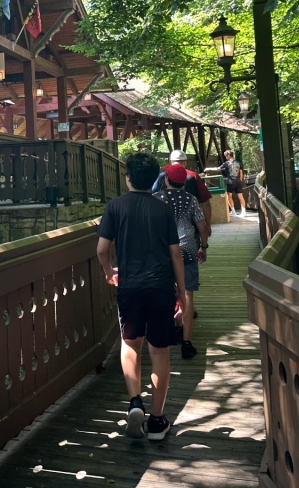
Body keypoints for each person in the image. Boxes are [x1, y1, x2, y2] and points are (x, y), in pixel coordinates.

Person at [97, 151, 185, 441]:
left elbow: (101, 250)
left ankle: (135, 401)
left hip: (130, 286)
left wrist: (110, 272)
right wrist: (181, 293)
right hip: (161, 286)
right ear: (153, 179)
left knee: (130, 344)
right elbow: (175, 253)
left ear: (128, 178)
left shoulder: (114, 207)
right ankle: (157, 421)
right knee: (160, 351)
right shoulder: (163, 209)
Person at [154, 163, 209, 359]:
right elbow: (202, 226)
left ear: (166, 180)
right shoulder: (191, 199)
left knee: (168, 291)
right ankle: (187, 342)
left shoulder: (157, 199)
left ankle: (173, 330)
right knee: (187, 294)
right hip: (187, 249)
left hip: (164, 251)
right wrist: (204, 246)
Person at [151, 149, 213, 233]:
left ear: (170, 162)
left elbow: (152, 197)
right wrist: (207, 225)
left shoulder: (161, 176)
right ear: (185, 162)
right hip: (191, 230)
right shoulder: (193, 176)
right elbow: (206, 203)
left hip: (165, 229)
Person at [220, 150, 247, 219]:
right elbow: (241, 173)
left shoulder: (227, 163)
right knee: (241, 196)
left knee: (229, 196)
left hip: (230, 182)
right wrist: (240, 180)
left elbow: (218, 169)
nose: (225, 158)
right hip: (238, 181)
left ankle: (233, 211)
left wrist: (209, 169)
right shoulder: (238, 162)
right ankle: (243, 212)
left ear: (228, 155)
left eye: (226, 156)